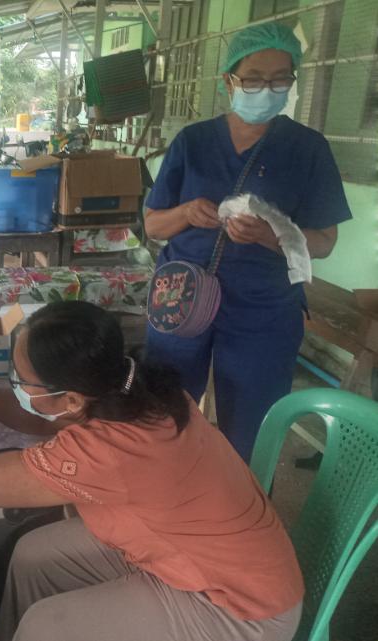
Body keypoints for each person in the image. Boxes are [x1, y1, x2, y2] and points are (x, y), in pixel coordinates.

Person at [0, 301, 305, 641]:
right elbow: (47, 419)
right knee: (34, 557)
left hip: (238, 606)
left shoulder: (110, 451)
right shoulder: (137, 387)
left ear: (72, 397)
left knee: (47, 623)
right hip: (191, 550)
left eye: (21, 381)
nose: (14, 385)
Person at [143, 22, 352, 460]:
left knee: (252, 431)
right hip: (182, 299)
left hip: (264, 310)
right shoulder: (193, 142)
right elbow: (153, 226)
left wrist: (272, 236)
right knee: (165, 418)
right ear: (229, 81)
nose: (266, 90)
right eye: (253, 79)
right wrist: (185, 213)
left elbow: (324, 242)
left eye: (280, 80)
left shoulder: (307, 149)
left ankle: (246, 499)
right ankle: (168, 495)